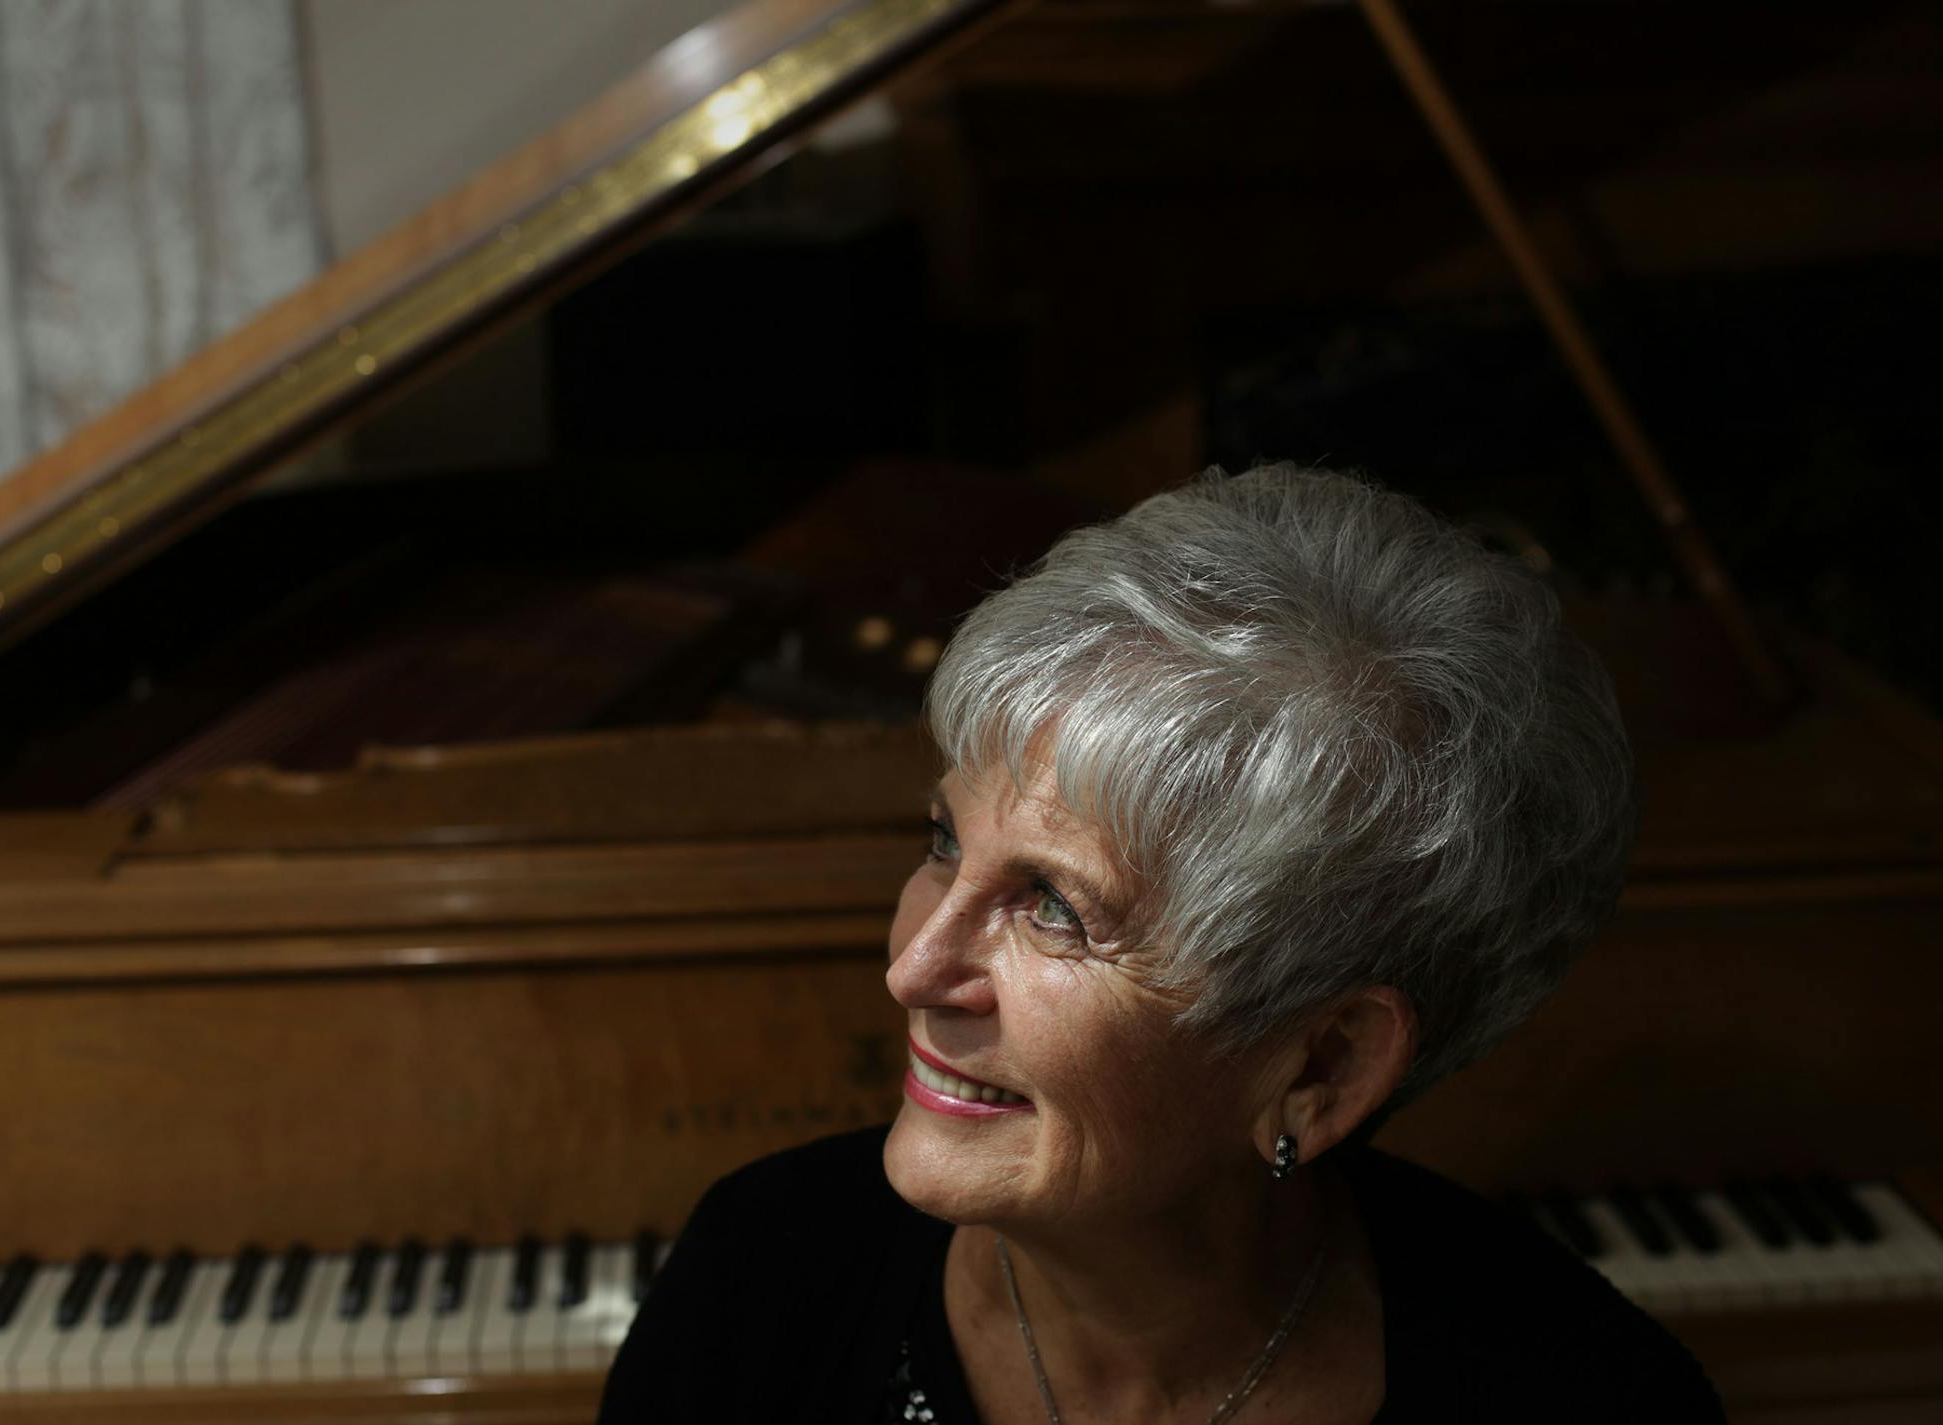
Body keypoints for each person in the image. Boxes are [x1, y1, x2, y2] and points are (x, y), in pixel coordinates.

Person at [601, 465, 1723, 1423]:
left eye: (1054, 908)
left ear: (1323, 1065)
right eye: (945, 841)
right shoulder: (760, 1272)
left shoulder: (1596, 1397)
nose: (913, 968)